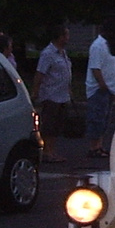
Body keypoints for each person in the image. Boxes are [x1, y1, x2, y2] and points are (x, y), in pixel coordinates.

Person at [31, 25, 72, 163]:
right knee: (49, 125)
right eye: (66, 35)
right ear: (59, 37)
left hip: (62, 95)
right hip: (51, 95)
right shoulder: (48, 54)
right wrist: (35, 92)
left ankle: (52, 151)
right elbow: (40, 73)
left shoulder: (62, 53)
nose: (68, 38)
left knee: (57, 126)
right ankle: (47, 152)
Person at [84, 20, 115, 160]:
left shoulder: (109, 46)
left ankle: (99, 146)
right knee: (97, 118)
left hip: (109, 89)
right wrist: (102, 84)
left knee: (104, 119)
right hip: (100, 90)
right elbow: (95, 67)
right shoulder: (98, 46)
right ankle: (93, 147)